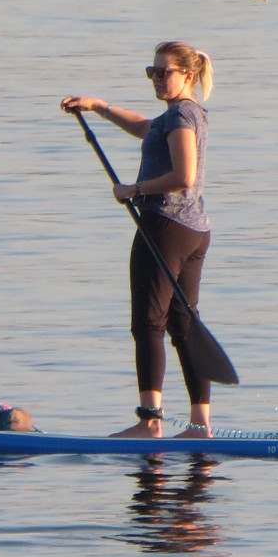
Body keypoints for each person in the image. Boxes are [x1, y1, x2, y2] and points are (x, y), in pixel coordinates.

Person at [62, 41, 214, 439]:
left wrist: (135, 189)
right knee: (184, 325)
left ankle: (150, 423)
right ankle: (200, 426)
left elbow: (183, 176)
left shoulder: (180, 115)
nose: (157, 79)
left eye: (164, 72)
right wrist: (98, 106)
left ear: (188, 75)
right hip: (193, 230)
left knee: (148, 323)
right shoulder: (186, 113)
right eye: (152, 72)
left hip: (164, 227)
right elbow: (144, 128)